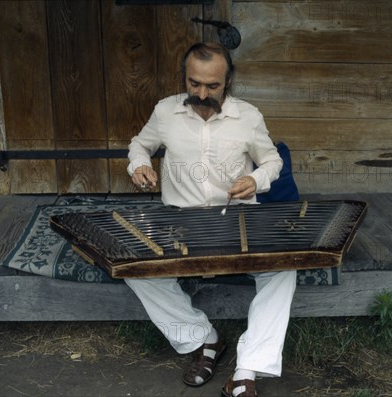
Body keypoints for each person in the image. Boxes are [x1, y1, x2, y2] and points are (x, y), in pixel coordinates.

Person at [126, 42, 297, 397]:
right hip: (181, 222)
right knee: (133, 267)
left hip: (238, 221)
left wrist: (256, 180)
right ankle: (203, 338)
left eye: (212, 86)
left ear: (228, 81)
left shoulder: (248, 117)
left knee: (283, 268)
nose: (202, 94)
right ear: (185, 78)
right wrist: (139, 164)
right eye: (194, 84)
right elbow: (140, 145)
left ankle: (246, 368)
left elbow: (272, 162)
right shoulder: (165, 112)